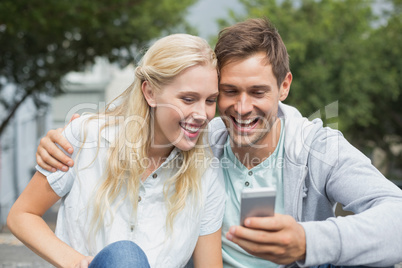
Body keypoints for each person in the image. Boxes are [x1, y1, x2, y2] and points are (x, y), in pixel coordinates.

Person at [33, 18, 402, 267]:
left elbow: (396, 219)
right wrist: (71, 133)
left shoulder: (317, 148)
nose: (242, 107)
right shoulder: (198, 139)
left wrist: (308, 240)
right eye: (227, 92)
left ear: (284, 86)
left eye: (258, 91)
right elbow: (150, 115)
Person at [7, 33, 225, 268]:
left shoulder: (206, 173)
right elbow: (22, 215)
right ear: (150, 93)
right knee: (125, 256)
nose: (203, 114)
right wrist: (78, 263)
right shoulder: (87, 138)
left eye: (210, 100)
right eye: (188, 99)